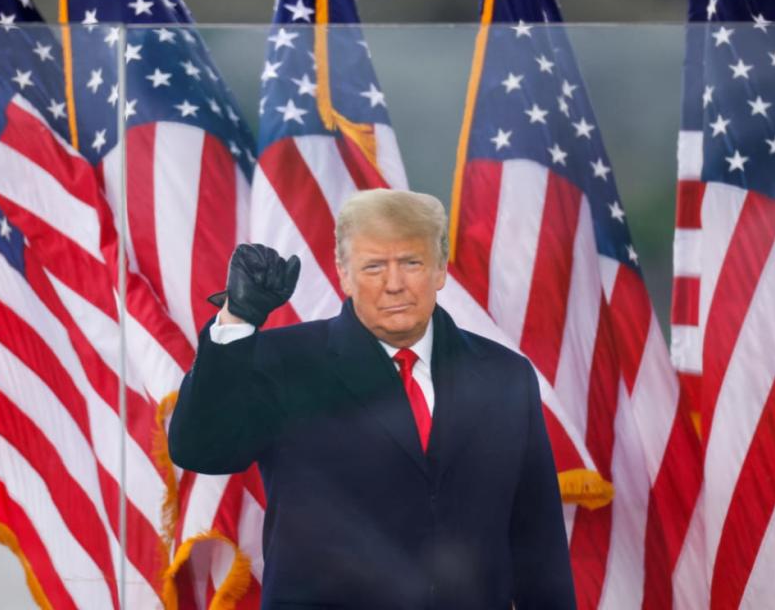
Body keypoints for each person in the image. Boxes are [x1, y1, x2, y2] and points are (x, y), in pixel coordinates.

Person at [168, 189, 576, 609]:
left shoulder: (504, 375)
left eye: (411, 263)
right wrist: (238, 321)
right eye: (374, 266)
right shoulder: (283, 361)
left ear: (439, 270)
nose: (394, 285)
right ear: (344, 274)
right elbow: (202, 448)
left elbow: (537, 540)